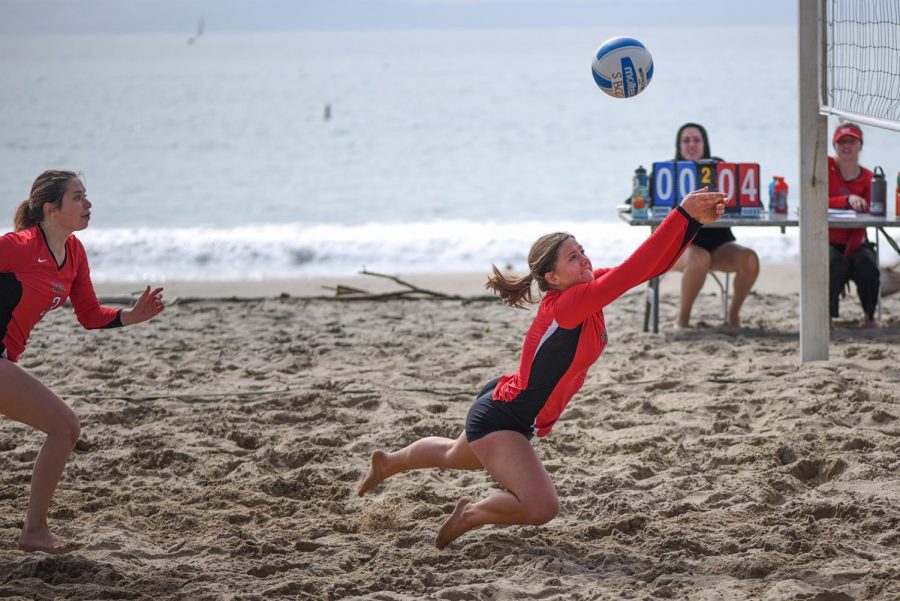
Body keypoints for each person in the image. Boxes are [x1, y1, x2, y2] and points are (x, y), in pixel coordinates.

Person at [358, 189, 726, 549]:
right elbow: (635, 270)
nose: (584, 260)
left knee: (455, 456)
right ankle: (470, 513)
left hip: (508, 402)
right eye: (572, 258)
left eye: (582, 251)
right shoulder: (568, 304)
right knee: (540, 506)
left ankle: (388, 462)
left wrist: (694, 226)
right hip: (502, 418)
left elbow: (649, 266)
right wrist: (683, 214)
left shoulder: (586, 286)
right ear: (552, 278)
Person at [0, 170, 165, 553]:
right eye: (77, 197)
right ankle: (34, 531)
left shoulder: (73, 253)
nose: (88, 204)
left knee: (63, 427)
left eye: (86, 196)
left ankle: (33, 531)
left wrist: (130, 316)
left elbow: (89, 314)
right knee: (65, 425)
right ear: (50, 208)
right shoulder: (21, 245)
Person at [670, 123, 760, 328]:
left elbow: (746, 199)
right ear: (679, 145)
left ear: (705, 144)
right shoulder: (669, 171)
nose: (692, 144)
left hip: (719, 244)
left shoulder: (720, 168)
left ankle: (733, 316)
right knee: (700, 258)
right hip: (680, 248)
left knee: (750, 260)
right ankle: (682, 321)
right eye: (686, 140)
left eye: (697, 139)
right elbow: (637, 203)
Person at [828, 122, 880, 327]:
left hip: (856, 240)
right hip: (827, 240)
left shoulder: (870, 179)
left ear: (860, 145)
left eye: (852, 141)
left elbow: (866, 220)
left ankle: (869, 317)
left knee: (867, 264)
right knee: (834, 264)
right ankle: (827, 317)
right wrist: (847, 199)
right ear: (834, 145)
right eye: (842, 141)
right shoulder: (825, 168)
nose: (846, 145)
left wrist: (849, 255)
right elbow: (812, 200)